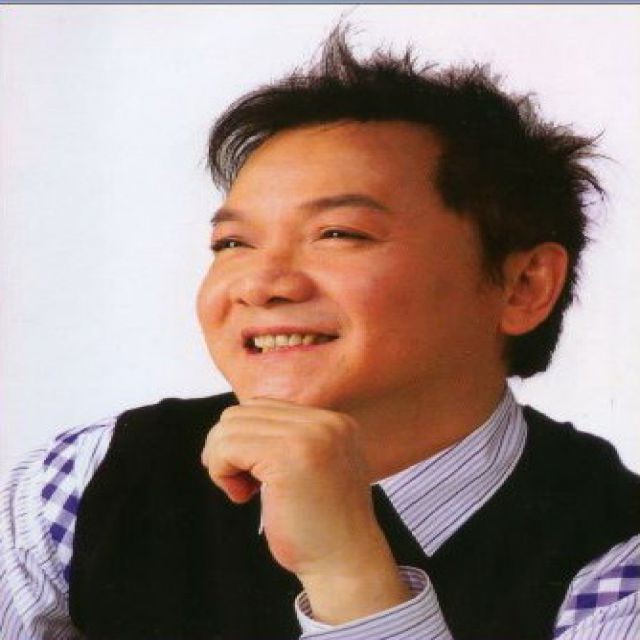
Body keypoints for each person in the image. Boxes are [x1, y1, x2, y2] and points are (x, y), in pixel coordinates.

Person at [1, 27, 638, 640]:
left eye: (338, 234)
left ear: (523, 285)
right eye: (233, 243)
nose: (260, 284)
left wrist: (347, 572)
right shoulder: (85, 478)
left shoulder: (618, 557)